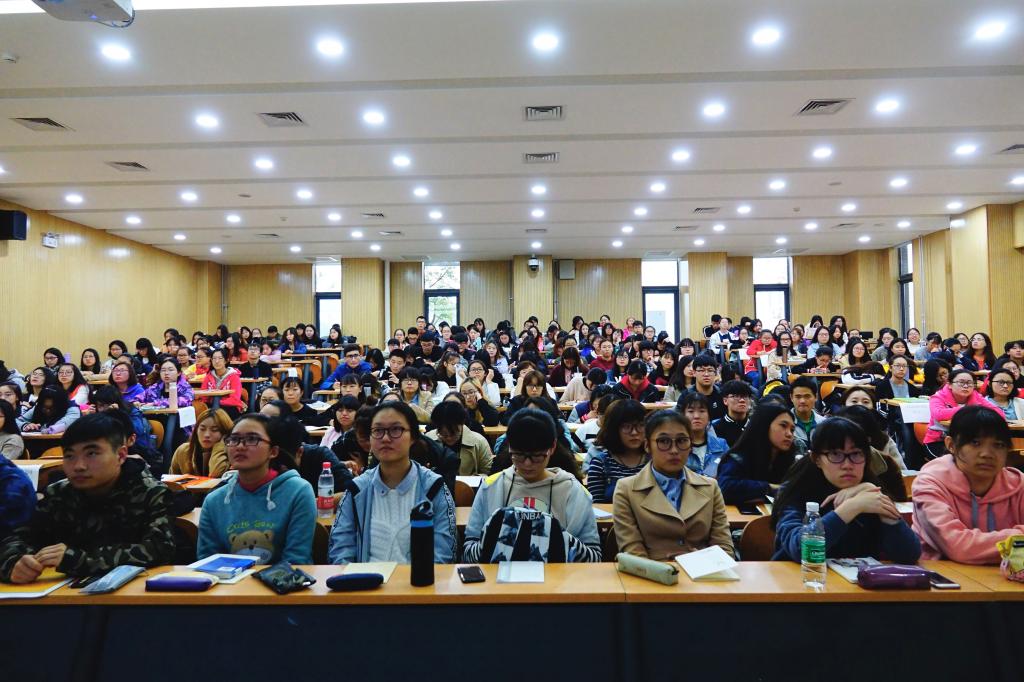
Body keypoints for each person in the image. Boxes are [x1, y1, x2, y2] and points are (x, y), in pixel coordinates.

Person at [0, 413, 176, 583]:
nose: (79, 466)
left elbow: (159, 549)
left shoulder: (151, 493)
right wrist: (13, 562)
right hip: (62, 595)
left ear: (121, 455)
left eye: (91, 454)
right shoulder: (58, 494)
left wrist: (78, 559)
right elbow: (18, 537)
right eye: (69, 456)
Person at [772, 418, 920, 563]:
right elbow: (802, 550)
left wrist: (885, 512)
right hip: (799, 577)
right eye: (836, 454)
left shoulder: (870, 493)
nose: (847, 465)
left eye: (856, 454)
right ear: (816, 459)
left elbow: (910, 555)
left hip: (858, 578)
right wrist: (852, 507)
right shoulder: (796, 491)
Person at [463, 408, 601, 562]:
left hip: (558, 576)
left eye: (536, 456)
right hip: (498, 576)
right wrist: (492, 535)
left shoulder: (573, 490)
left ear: (552, 447)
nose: (527, 464)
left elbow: (594, 557)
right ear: (509, 447)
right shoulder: (491, 487)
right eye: (518, 455)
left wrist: (553, 534)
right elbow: (468, 552)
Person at [328, 402, 457, 564]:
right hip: (364, 579)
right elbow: (340, 551)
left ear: (413, 437)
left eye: (396, 429)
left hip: (421, 580)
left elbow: (443, 556)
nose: (385, 438)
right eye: (378, 431)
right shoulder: (357, 489)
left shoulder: (434, 487)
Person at [613, 409, 734, 561]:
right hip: (651, 573)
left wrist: (694, 564)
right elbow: (634, 554)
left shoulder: (710, 487)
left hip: (704, 573)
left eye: (682, 441)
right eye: (664, 441)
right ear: (647, 445)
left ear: (691, 445)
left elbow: (724, 548)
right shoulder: (626, 490)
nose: (674, 450)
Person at [196, 414, 315, 564]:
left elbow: (296, 560)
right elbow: (208, 562)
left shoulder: (298, 492)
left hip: (284, 578)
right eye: (234, 439)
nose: (240, 446)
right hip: (227, 579)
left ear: (273, 451)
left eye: (252, 439)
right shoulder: (214, 500)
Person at [912, 406, 1024, 564]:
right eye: (975, 443)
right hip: (941, 575)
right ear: (951, 445)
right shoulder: (930, 484)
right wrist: (1017, 540)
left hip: (1006, 576)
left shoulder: (1018, 484)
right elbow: (957, 546)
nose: (987, 454)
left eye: (998, 445)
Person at [717, 402, 798, 504]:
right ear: (764, 425)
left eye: (792, 429)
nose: (789, 434)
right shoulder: (739, 457)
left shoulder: (787, 459)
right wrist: (769, 487)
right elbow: (725, 488)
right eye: (783, 426)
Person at [924, 368, 1003, 458]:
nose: (966, 386)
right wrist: (969, 409)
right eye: (961, 382)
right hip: (939, 440)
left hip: (968, 441)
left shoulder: (976, 396)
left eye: (970, 383)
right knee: (956, 461)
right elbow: (939, 414)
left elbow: (999, 413)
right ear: (949, 384)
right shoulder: (938, 397)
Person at [587, 399, 650, 502]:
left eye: (640, 425)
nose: (634, 432)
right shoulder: (600, 464)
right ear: (614, 430)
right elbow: (597, 506)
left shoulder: (655, 461)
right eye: (627, 427)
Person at [425, 401, 494, 475]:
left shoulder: (479, 442)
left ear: (462, 423)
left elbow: (488, 472)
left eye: (453, 433)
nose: (449, 438)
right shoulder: (429, 440)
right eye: (444, 434)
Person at [170, 408, 232, 477]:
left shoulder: (231, 454)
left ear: (225, 433)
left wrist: (220, 447)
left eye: (214, 430)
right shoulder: (183, 451)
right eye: (202, 429)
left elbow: (215, 474)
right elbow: (171, 480)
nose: (207, 435)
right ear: (196, 430)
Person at [679, 392, 730, 477]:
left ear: (709, 416)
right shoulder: (677, 448)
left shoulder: (722, 445)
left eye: (702, 411)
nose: (696, 416)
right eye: (691, 411)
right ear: (683, 416)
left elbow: (729, 475)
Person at [676, 354, 725, 420]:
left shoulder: (722, 394)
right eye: (702, 370)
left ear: (715, 373)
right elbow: (679, 420)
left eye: (710, 370)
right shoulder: (686, 396)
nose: (706, 374)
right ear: (694, 373)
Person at [199, 348, 244, 419]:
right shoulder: (209, 376)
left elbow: (235, 399)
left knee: (221, 413)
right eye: (214, 358)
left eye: (220, 358)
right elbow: (203, 397)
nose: (217, 361)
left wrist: (217, 402)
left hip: (229, 407)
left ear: (226, 360)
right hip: (211, 406)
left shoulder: (234, 376)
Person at [17, 386, 81, 435]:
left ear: (61, 405)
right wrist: (25, 425)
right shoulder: (38, 407)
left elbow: (58, 427)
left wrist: (40, 428)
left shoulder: (73, 410)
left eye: (52, 408)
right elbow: (15, 421)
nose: (48, 411)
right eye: (45, 407)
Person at [711, 380, 753, 448]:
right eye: (736, 396)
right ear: (725, 400)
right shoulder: (715, 428)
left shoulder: (755, 426)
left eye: (745, 396)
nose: (742, 400)